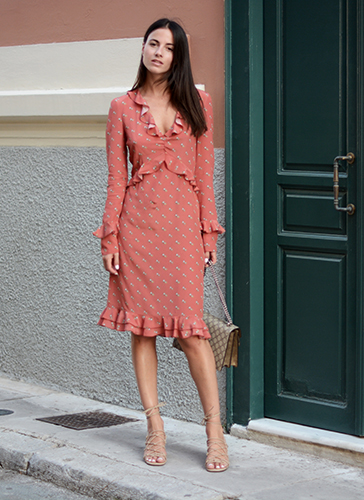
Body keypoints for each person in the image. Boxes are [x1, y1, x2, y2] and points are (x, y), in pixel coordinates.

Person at [93, 18, 228, 472]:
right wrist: (109, 236)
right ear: (144, 49)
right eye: (153, 43)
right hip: (137, 233)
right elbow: (117, 179)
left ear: (178, 55)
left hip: (184, 232)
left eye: (168, 47)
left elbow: (205, 178)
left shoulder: (199, 103)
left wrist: (209, 232)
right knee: (143, 330)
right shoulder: (122, 108)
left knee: (193, 333)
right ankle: (155, 427)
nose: (158, 52)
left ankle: (215, 434)